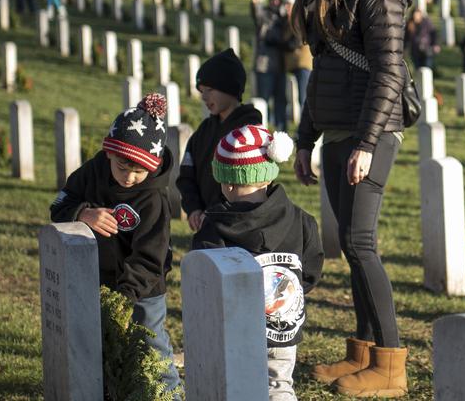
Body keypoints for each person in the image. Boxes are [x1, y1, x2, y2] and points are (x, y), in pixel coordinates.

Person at [287, 0, 410, 398]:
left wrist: (365, 141)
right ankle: (360, 352)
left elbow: (388, 71)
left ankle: (391, 365)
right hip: (337, 130)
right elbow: (323, 70)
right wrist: (304, 139)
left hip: (371, 131)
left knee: (361, 243)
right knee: (350, 248)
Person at [50, 93, 182, 397]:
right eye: (123, 167)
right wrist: (83, 212)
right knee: (101, 343)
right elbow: (59, 205)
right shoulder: (92, 173)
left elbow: (150, 257)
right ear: (109, 152)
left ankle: (171, 394)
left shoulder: (152, 199)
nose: (130, 177)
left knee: (150, 344)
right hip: (96, 279)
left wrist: (126, 300)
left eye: (139, 171)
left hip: (143, 288)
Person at [193, 125, 323, 401]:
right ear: (267, 178)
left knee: (238, 387)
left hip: (236, 328)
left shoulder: (215, 228)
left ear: (226, 182)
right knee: (279, 385)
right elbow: (310, 272)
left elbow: (206, 280)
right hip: (284, 326)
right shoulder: (303, 220)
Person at [178, 48, 263, 232]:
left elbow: (246, 179)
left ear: (230, 88)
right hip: (205, 220)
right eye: (201, 91)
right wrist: (194, 209)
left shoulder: (249, 131)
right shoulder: (203, 131)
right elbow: (187, 173)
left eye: (209, 89)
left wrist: (214, 211)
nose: (203, 97)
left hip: (239, 223)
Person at [252, 0, 292, 129]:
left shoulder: (284, 19)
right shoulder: (263, 15)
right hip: (264, 66)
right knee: (263, 101)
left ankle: (282, 130)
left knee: (281, 101)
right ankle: (262, 130)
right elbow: (255, 11)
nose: (275, 2)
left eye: (278, 0)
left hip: (280, 66)